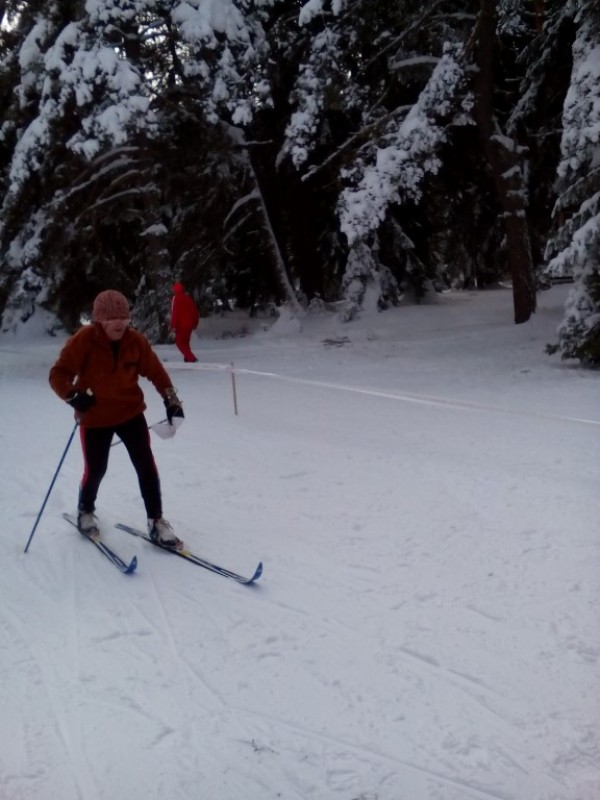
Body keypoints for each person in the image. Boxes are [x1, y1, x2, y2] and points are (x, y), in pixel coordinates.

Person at [49, 289, 184, 548]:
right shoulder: (85, 340)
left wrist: (173, 401)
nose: (120, 323)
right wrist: (72, 397)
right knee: (96, 469)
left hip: (130, 413)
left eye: (123, 317)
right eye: (112, 319)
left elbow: (157, 373)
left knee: (146, 466)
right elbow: (58, 374)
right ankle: (85, 510)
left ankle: (156, 521)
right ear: (100, 320)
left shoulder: (135, 342)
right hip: (95, 418)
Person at [170, 282, 200, 362]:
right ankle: (188, 358)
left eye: (173, 288)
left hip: (181, 325)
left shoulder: (175, 298)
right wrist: (195, 323)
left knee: (179, 342)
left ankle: (191, 358)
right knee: (185, 342)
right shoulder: (188, 298)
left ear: (175, 289)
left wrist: (173, 325)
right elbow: (195, 311)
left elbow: (174, 313)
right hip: (189, 325)